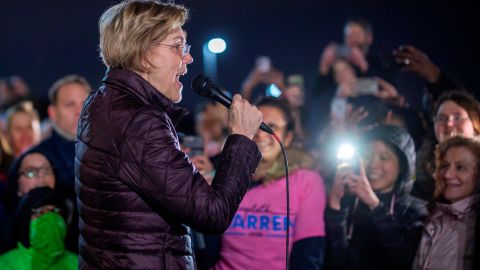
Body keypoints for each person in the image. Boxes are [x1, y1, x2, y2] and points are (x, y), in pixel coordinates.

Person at [75, 1, 263, 269]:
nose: (188, 57)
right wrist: (241, 138)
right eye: (177, 45)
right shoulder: (140, 122)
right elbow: (213, 214)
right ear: (142, 53)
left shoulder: (101, 102)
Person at [212, 97, 326, 270]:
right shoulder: (226, 174)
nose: (260, 133)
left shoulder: (305, 180)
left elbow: (308, 252)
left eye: (271, 127)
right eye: (256, 124)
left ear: (287, 138)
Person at [325, 125, 428, 270]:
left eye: (383, 157)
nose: (373, 164)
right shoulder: (349, 203)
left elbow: (405, 258)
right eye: (367, 155)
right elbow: (338, 260)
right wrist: (335, 204)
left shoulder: (415, 210)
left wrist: (374, 204)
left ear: (403, 165)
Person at [412, 136, 480, 270]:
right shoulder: (432, 215)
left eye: (460, 167)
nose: (447, 174)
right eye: (445, 166)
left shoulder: (474, 223)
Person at [412, 90, 480, 201]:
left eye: (457, 118)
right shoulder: (419, 164)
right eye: (441, 118)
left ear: (475, 122)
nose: (448, 124)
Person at [0, 187, 77, 270]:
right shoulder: (5, 264)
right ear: (25, 219)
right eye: (40, 212)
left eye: (55, 211)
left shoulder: (77, 263)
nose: (49, 218)